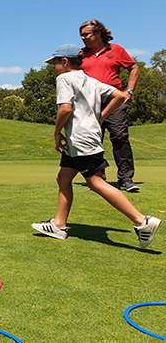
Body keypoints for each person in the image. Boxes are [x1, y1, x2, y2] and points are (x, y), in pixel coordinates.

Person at [31, 44, 159, 249]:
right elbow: (118, 95)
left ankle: (142, 222)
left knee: (95, 182)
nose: (53, 67)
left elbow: (65, 108)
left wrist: (56, 133)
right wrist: (100, 117)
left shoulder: (63, 78)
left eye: (54, 63)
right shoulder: (90, 80)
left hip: (81, 140)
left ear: (64, 62)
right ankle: (59, 225)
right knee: (63, 177)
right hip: (83, 139)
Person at [79, 20, 140, 192]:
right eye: (81, 35)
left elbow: (134, 68)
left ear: (98, 34)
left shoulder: (116, 50)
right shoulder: (81, 54)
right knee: (93, 139)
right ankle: (98, 179)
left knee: (120, 137)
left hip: (114, 101)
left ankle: (126, 179)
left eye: (86, 34)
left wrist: (129, 91)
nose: (83, 38)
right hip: (89, 102)